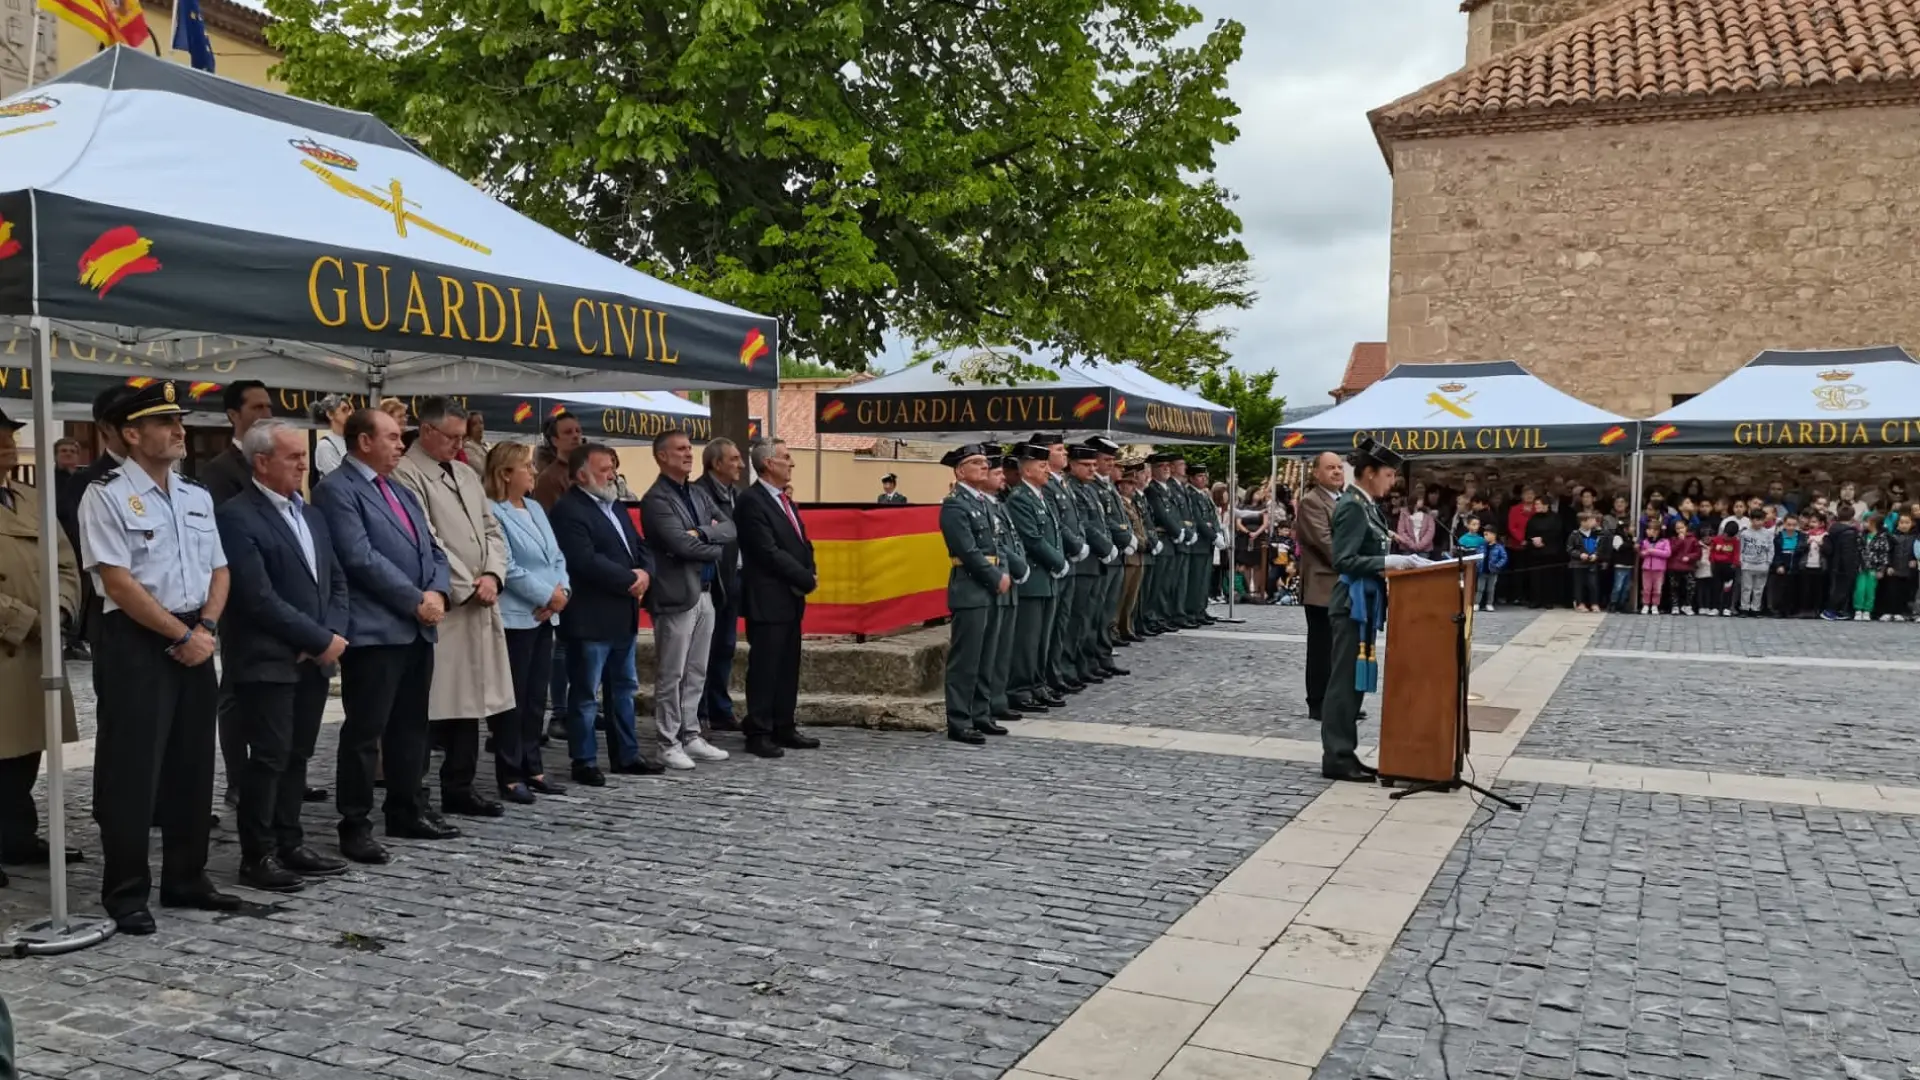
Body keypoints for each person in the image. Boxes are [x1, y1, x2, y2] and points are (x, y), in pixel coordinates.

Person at [76, 380, 236, 934]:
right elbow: (118, 583)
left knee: (193, 763)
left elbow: (219, 568)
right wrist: (179, 635)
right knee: (132, 771)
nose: (179, 431)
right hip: (138, 642)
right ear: (131, 433)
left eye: (179, 421)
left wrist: (207, 627)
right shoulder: (106, 494)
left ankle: (186, 876)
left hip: (196, 632)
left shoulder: (195, 495)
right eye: (165, 423)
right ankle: (125, 892)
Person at [313, 407, 457, 866]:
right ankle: (355, 822)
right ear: (363, 442)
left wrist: (436, 589)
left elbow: (431, 547)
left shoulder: (398, 489)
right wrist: (415, 598)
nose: (401, 445)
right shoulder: (337, 490)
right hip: (377, 629)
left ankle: (407, 807)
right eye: (393, 437)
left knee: (412, 727)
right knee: (365, 731)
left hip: (417, 626)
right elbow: (359, 557)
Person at [214, 419, 352, 892]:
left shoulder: (310, 514)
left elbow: (335, 579)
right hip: (267, 659)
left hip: (313, 656)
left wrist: (332, 631)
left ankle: (290, 840)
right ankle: (258, 854)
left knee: (298, 755)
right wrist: (317, 638)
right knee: (268, 757)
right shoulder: (237, 516)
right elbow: (256, 596)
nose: (302, 464)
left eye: (303, 455)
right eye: (293, 456)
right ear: (262, 462)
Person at [391, 398, 514, 818]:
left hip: (482, 598)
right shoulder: (407, 474)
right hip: (448, 603)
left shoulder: (465, 471)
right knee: (436, 702)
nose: (460, 445)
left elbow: (492, 529)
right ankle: (417, 791)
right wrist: (467, 584)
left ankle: (461, 785)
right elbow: (427, 539)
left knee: (473, 700)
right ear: (426, 431)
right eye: (452, 437)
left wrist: (494, 576)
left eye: (463, 437)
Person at [0, 407, 82, 877]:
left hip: (38, 649)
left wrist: (63, 609)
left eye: (9, 436)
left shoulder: (31, 499)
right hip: (13, 640)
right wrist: (28, 619)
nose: (7, 445)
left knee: (27, 750)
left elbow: (66, 562)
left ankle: (17, 836)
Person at [547, 442, 656, 784]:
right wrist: (629, 579)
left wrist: (645, 573)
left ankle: (626, 753)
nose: (611, 475)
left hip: (622, 614)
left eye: (612, 467)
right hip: (590, 617)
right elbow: (584, 560)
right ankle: (584, 760)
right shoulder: (569, 510)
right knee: (585, 694)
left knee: (623, 688)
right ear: (582, 475)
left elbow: (639, 546)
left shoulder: (614, 505)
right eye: (603, 469)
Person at [196, 379, 279, 815]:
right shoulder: (219, 470)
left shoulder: (280, 457)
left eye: (269, 404)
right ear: (234, 415)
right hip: (239, 594)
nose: (266, 411)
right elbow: (227, 536)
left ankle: (275, 774)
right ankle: (237, 778)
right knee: (235, 690)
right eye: (257, 406)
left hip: (282, 594)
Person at [639, 430, 736, 771]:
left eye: (688, 449)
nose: (688, 454)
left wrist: (703, 534)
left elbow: (729, 528)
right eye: (680, 449)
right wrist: (708, 544)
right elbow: (680, 545)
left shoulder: (697, 492)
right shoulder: (656, 500)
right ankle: (668, 741)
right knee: (672, 672)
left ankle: (691, 734)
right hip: (676, 594)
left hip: (706, 592)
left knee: (697, 670)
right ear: (662, 456)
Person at [1323, 438, 1416, 783]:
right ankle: (1336, 754)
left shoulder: (1368, 505)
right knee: (1344, 683)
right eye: (1388, 474)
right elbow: (1343, 559)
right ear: (1369, 473)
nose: (1392, 482)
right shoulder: (1351, 505)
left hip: (1366, 603)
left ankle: (1346, 750)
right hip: (1352, 603)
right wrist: (1386, 561)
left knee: (1354, 685)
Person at [484, 441, 571, 805]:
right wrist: (545, 596)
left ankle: (532, 764)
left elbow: (556, 555)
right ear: (506, 473)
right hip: (517, 615)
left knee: (537, 697)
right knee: (513, 699)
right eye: (527, 467)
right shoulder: (492, 511)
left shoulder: (535, 507)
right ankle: (509, 772)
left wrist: (561, 592)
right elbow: (507, 565)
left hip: (545, 615)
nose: (534, 472)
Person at [734, 438, 820, 759]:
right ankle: (758, 729)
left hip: (791, 596)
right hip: (767, 596)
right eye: (786, 457)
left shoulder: (785, 500)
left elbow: (801, 542)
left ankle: (784, 723)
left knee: (787, 665)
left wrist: (809, 570)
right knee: (766, 666)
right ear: (769, 463)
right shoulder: (751, 501)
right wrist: (803, 576)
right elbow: (767, 551)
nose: (791, 463)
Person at [938, 445, 1011, 745]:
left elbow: (999, 542)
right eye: (976, 462)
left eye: (984, 462)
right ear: (960, 471)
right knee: (966, 659)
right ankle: (959, 719)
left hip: (991, 587)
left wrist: (1003, 572)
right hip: (970, 587)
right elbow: (967, 551)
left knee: (986, 656)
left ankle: (981, 712)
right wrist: (995, 576)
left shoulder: (987, 503)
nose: (984, 466)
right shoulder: (955, 505)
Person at [532, 411, 585, 740]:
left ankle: (584, 705)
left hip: (585, 571)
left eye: (579, 431)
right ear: (554, 440)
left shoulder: (586, 470)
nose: (576, 436)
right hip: (564, 569)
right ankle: (561, 712)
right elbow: (551, 529)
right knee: (563, 646)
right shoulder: (551, 478)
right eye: (569, 432)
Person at [1006, 443, 1067, 713]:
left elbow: (1054, 534)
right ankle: (1021, 687)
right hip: (1034, 578)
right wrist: (1057, 561)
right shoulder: (1020, 498)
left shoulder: (1041, 496)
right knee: (1028, 639)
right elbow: (1032, 538)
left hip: (1048, 578)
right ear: (1027, 470)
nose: (1046, 470)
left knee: (1043, 637)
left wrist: (1060, 560)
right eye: (1042, 466)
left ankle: (1038, 683)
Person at [695, 438, 744, 734]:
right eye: (735, 458)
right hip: (712, 581)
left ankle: (720, 708)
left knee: (725, 647)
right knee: (703, 651)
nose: (740, 464)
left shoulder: (736, 494)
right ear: (717, 463)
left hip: (734, 578)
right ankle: (700, 711)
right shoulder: (701, 494)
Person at [1295, 451, 1343, 721]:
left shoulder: (1343, 499)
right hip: (1322, 586)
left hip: (1341, 585)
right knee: (1322, 648)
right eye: (1330, 468)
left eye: (1339, 467)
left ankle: (1337, 700)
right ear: (1316, 473)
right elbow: (1327, 544)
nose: (1337, 472)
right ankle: (1318, 702)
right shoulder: (1312, 501)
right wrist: (1357, 561)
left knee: (1340, 648)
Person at [982, 452, 1029, 725]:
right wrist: (1016, 567)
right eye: (996, 472)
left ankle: (997, 699)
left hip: (1009, 577)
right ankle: (986, 703)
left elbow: (1012, 540)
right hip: (996, 578)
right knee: (991, 647)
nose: (1003, 477)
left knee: (1003, 647)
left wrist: (1019, 566)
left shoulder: (998, 504)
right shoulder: (980, 505)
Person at [1065, 444, 1115, 687]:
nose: (1092, 470)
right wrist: (1105, 546)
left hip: (1095, 562)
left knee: (1093, 617)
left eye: (1094, 465)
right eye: (1086, 465)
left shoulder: (1090, 489)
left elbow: (1101, 522)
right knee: (1079, 619)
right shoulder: (1072, 488)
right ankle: (1073, 666)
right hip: (1084, 562)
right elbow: (1084, 524)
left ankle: (1087, 662)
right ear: (1072, 465)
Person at [1085, 438, 1133, 676]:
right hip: (1103, 555)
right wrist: (1120, 539)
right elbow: (1101, 522)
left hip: (1116, 555)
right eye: (1105, 459)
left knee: (1108, 610)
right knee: (1097, 611)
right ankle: (1094, 657)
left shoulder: (1107, 486)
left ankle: (1103, 655)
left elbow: (1120, 518)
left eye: (1112, 460)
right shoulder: (1090, 486)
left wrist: (1128, 536)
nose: (1109, 464)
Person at [1115, 460, 1150, 641]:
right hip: (1129, 555)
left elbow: (1140, 527)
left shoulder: (1133, 503)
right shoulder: (1121, 503)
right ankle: (1116, 628)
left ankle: (1126, 627)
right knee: (1122, 595)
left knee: (1132, 596)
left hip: (1139, 555)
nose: (1131, 487)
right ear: (1120, 486)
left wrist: (1144, 541)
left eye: (1133, 484)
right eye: (1128, 484)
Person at [311, 394, 353, 480]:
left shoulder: (351, 440)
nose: (350, 414)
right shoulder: (325, 445)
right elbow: (337, 479)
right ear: (330, 414)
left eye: (349, 409)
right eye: (344, 410)